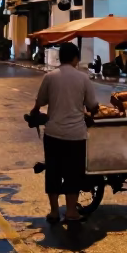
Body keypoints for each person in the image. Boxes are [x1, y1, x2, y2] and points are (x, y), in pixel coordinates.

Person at [34, 41, 99, 225]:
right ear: (75, 58)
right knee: (73, 173)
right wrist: (89, 114)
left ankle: (54, 212)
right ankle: (71, 212)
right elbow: (93, 106)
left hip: (53, 133)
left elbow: (40, 102)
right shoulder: (83, 78)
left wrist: (33, 114)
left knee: (53, 172)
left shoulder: (50, 77)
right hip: (75, 136)